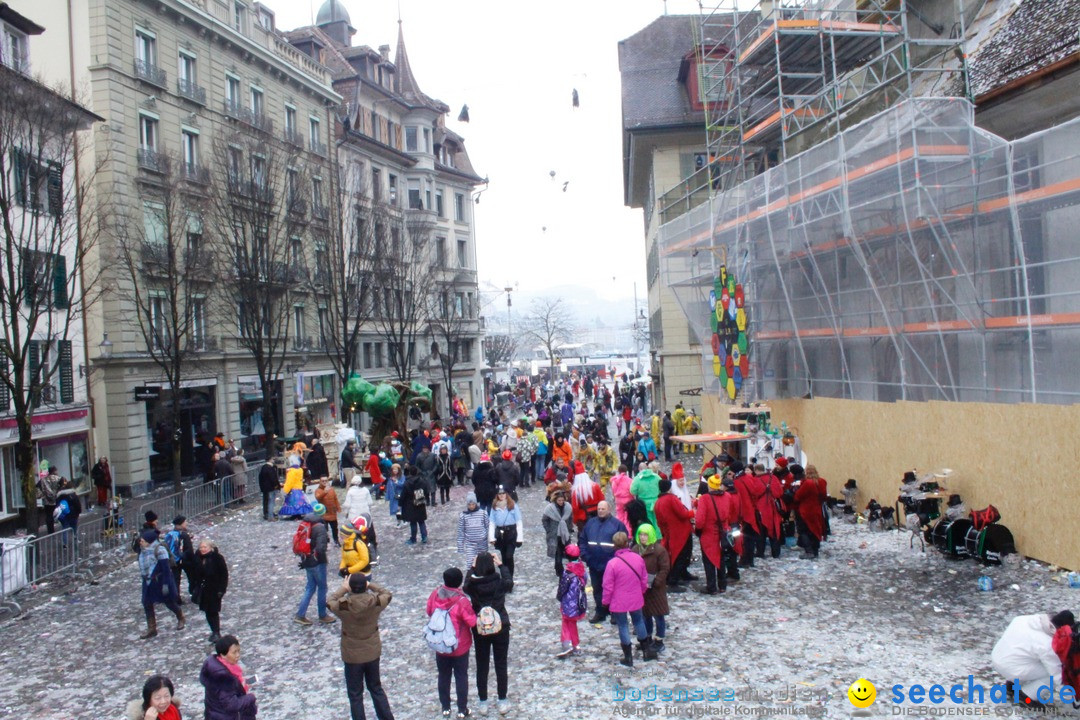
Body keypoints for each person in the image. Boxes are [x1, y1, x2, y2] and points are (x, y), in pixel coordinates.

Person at [328, 573, 395, 720]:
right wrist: (370, 584)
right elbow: (387, 594)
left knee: (355, 695)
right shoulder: (375, 602)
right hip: (372, 652)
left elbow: (329, 601)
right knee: (376, 689)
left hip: (352, 655)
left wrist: (343, 589)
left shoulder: (344, 605)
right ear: (364, 586)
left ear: (350, 587)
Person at [463, 553, 513, 715]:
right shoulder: (499, 582)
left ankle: (483, 701)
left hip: (480, 628)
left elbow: (465, 585)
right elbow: (509, 581)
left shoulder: (473, 585)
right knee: (501, 663)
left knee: (482, 664)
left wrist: (471, 567)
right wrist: (501, 564)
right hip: (501, 626)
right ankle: (502, 699)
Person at [991, 610, 1074, 706]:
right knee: (1051, 675)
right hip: (1011, 667)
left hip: (998, 655)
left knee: (1026, 654)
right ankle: (1026, 696)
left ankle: (1012, 685)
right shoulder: (1047, 644)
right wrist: (1071, 691)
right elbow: (1057, 675)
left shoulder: (1024, 619)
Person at [426, 568, 477, 719]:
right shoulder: (461, 601)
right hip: (459, 645)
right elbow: (472, 621)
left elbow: (429, 611)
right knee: (461, 676)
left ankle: (446, 707)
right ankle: (462, 709)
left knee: (443, 675)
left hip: (440, 644)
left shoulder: (435, 593)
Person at [602, 532, 656, 666]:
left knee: (623, 625)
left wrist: (605, 601)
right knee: (639, 622)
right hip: (635, 597)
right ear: (627, 543)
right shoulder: (638, 558)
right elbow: (644, 578)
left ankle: (628, 657)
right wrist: (641, 591)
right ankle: (646, 650)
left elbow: (608, 586)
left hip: (619, 600)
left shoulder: (612, 564)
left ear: (614, 545)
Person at [579, 501, 628, 624]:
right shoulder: (591, 523)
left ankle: (614, 612)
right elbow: (582, 540)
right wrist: (586, 556)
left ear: (609, 509)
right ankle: (600, 611)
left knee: (613, 589)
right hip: (594, 563)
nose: (600, 511)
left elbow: (623, 544)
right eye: (599, 509)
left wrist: (616, 562)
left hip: (611, 565)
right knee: (597, 589)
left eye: (603, 509)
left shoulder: (617, 525)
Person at [694, 475, 740, 594]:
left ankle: (711, 587)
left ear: (709, 485)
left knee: (709, 560)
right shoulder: (727, 496)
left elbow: (699, 521)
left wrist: (697, 529)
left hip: (709, 534)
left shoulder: (705, 499)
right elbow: (730, 513)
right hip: (723, 532)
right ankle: (722, 585)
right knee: (721, 559)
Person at [137, 529, 184, 639]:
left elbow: (166, 569)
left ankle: (180, 617)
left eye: (142, 540)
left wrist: (166, 584)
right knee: (147, 603)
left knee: (169, 602)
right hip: (148, 580)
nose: (141, 542)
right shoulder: (143, 550)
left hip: (159, 580)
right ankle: (152, 628)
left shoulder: (160, 550)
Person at [295, 504, 336, 626]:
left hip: (307, 559)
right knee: (322, 588)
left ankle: (300, 614)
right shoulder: (320, 527)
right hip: (317, 561)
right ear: (323, 513)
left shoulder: (306, 523)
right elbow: (321, 548)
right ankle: (322, 615)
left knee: (310, 587)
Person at [200, 635, 257, 720]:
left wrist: (240, 686)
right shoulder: (223, 677)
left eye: (239, 651)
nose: (238, 655)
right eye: (234, 652)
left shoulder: (216, 669)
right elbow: (231, 705)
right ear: (223, 654)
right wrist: (250, 697)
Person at [634, 524, 670, 653]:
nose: (642, 537)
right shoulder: (635, 549)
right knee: (645, 615)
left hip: (655, 589)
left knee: (658, 615)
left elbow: (664, 568)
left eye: (645, 534)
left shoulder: (659, 551)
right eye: (640, 534)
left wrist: (656, 581)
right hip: (642, 589)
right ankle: (647, 637)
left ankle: (659, 640)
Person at [654, 479, 694, 592]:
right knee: (682, 555)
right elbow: (683, 514)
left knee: (676, 555)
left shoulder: (658, 502)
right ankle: (674, 580)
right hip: (681, 532)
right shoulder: (671, 499)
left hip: (670, 533)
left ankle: (681, 574)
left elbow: (659, 522)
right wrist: (693, 512)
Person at [191, 538, 229, 643]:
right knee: (207, 611)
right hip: (203, 590)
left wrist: (222, 589)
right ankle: (214, 631)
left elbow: (224, 574)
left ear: (210, 548)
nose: (202, 549)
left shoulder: (217, 558)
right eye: (201, 547)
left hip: (214, 589)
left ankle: (216, 632)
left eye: (205, 547)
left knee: (213, 611)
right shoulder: (197, 558)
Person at [555, 543, 588, 659]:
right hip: (579, 602)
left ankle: (567, 643)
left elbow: (563, 588)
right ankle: (575, 645)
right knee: (572, 622)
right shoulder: (582, 570)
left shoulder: (567, 573)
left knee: (566, 621)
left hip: (568, 602)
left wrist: (559, 597)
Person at [792, 464, 825, 559]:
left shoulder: (807, 483)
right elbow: (823, 496)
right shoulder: (822, 481)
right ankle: (815, 550)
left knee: (804, 531)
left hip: (806, 509)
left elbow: (798, 496)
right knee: (815, 529)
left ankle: (809, 550)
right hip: (817, 508)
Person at [488, 487, 523, 579]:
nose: (502, 496)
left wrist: (519, 538)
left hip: (511, 533)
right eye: (500, 494)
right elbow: (492, 522)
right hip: (501, 534)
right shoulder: (494, 507)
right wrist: (491, 537)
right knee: (503, 556)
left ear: (506, 494)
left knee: (509, 556)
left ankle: (510, 577)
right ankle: (505, 577)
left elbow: (519, 522)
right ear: (497, 495)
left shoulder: (513, 505)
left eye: (503, 494)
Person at [542, 490, 574, 578]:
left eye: (562, 500)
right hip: (554, 535)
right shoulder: (550, 508)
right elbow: (545, 520)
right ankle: (559, 570)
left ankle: (570, 569)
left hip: (565, 534)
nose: (561, 502)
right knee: (558, 553)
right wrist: (548, 530)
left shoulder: (568, 507)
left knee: (568, 552)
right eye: (559, 500)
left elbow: (570, 519)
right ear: (556, 500)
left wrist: (570, 529)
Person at [163, 516, 195, 601]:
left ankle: (175, 597)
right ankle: (195, 595)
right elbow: (189, 550)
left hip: (173, 561)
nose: (186, 523)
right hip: (184, 560)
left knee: (175, 579)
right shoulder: (183, 535)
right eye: (185, 522)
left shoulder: (169, 534)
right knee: (192, 577)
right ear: (181, 524)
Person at [569, 462, 604, 534]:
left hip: (583, 518)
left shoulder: (575, 490)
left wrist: (575, 520)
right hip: (597, 515)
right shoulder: (595, 486)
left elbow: (575, 508)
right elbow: (602, 500)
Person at [457, 492, 489, 568]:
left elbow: (488, 526)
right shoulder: (463, 516)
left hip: (482, 543)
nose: (471, 506)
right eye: (469, 504)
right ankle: (471, 577)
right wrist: (460, 546)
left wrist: (489, 538)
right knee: (471, 564)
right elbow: (461, 531)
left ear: (476, 504)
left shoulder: (483, 513)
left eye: (473, 504)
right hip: (470, 544)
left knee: (483, 563)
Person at [629, 464, 663, 533]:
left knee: (647, 522)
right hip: (656, 502)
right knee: (658, 521)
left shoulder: (637, 479)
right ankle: (658, 537)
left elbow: (632, 491)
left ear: (639, 469)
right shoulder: (656, 477)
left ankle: (650, 537)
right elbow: (661, 487)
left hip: (643, 504)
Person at [401, 466, 429, 545]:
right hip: (420, 502)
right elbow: (426, 491)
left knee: (413, 522)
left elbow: (403, 494)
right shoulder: (422, 481)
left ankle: (413, 538)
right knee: (421, 521)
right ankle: (424, 537)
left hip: (410, 504)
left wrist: (400, 503)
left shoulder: (407, 483)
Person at [315, 477, 342, 547]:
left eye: (326, 481)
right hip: (324, 514)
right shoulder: (318, 490)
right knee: (324, 529)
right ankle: (326, 542)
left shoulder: (331, 489)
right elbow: (318, 497)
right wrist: (324, 492)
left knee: (335, 528)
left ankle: (336, 540)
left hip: (332, 512)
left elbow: (335, 499)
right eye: (322, 481)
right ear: (320, 482)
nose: (324, 482)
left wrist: (338, 507)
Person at [55, 477, 82, 544]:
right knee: (74, 528)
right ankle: (76, 540)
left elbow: (57, 504)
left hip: (64, 514)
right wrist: (78, 512)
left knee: (64, 528)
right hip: (73, 514)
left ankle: (65, 543)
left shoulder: (60, 495)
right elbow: (77, 505)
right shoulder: (73, 495)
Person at [609, 465, 633, 531]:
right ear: (626, 471)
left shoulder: (615, 480)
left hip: (618, 500)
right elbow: (632, 490)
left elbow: (613, 490)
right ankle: (628, 532)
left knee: (619, 515)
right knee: (627, 517)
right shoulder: (630, 480)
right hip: (628, 500)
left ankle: (619, 530)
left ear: (618, 471)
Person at [36, 469, 60, 534]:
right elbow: (64, 485)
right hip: (56, 499)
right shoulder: (58, 478)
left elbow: (37, 487)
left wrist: (41, 495)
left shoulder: (43, 480)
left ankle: (50, 530)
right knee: (57, 512)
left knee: (49, 515)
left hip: (47, 501)